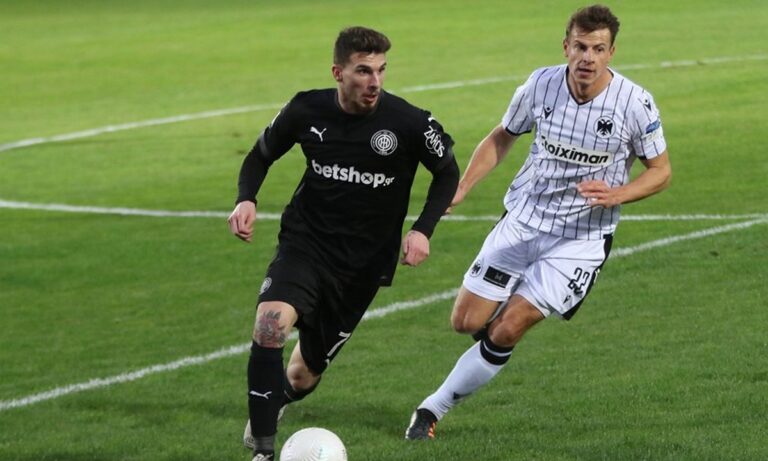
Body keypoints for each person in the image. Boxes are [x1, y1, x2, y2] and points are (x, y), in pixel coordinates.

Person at [404, 4, 671, 440]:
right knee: (466, 322)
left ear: (611, 53)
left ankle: (431, 409)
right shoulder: (540, 85)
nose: (587, 57)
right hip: (523, 220)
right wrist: (464, 186)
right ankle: (490, 340)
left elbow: (661, 170)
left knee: (509, 327)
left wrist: (617, 194)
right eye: (580, 47)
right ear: (565, 46)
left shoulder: (634, 104)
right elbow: (503, 135)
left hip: (581, 238)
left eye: (597, 49)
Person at [227, 26, 459, 460]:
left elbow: (447, 171)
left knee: (303, 376)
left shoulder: (409, 122)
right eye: (364, 71)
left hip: (362, 267)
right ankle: (263, 451)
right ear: (338, 72)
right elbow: (260, 154)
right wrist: (246, 198)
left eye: (381, 70)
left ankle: (279, 398)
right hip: (305, 245)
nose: (375, 81)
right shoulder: (306, 109)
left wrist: (422, 229)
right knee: (269, 326)